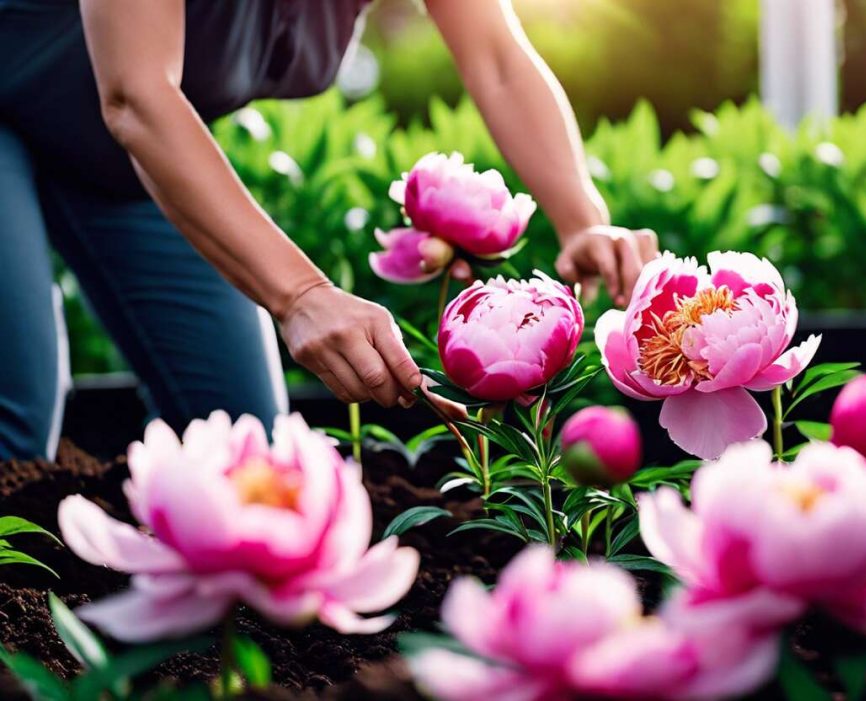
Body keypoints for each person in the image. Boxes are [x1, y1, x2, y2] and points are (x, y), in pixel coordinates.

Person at [0, 0, 658, 460]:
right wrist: (300, 294)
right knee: (19, 421)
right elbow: (137, 95)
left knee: (246, 440)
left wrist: (583, 220)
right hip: (53, 113)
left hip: (124, 170)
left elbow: (496, 57)